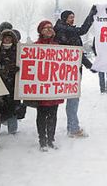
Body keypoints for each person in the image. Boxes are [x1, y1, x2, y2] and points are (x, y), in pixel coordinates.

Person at [53, 7, 97, 138]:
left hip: (70, 68)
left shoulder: (64, 29)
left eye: (73, 17)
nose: (73, 19)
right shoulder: (64, 29)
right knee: (73, 98)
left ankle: (71, 126)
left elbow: (77, 53)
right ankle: (73, 128)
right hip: (69, 70)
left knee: (72, 99)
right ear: (64, 18)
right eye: (71, 17)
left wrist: (89, 65)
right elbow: (82, 31)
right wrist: (91, 16)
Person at [35, 20, 64, 151]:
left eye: (50, 27)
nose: (49, 29)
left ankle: (51, 138)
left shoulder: (58, 46)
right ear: (40, 31)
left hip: (54, 87)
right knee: (41, 115)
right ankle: (42, 139)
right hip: (41, 88)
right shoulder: (35, 47)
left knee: (53, 114)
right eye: (45, 28)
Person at [0, 29, 21, 135]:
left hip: (13, 84)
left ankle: (13, 130)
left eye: (9, 38)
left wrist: (17, 68)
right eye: (5, 38)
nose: (7, 40)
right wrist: (0, 68)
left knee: (13, 107)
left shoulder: (18, 51)